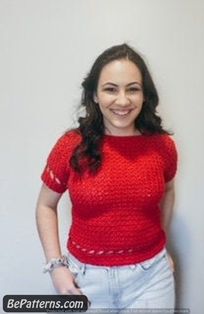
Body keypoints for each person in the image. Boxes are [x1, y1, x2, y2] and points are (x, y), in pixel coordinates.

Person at [36, 43, 178, 313]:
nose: (122, 101)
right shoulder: (70, 145)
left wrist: (164, 246)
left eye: (133, 89)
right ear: (95, 95)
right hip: (85, 281)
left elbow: (168, 191)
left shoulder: (162, 146)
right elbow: (45, 205)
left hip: (151, 278)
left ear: (145, 95)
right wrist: (56, 267)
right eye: (111, 89)